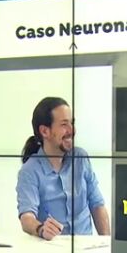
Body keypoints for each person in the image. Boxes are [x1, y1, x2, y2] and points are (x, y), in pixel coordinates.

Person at [16, 96, 110, 240]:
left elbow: (97, 205)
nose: (72, 130)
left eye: (72, 123)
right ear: (45, 131)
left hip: (85, 247)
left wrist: (108, 244)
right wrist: (41, 229)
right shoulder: (30, 171)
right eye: (64, 124)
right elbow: (27, 217)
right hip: (51, 248)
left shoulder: (80, 157)